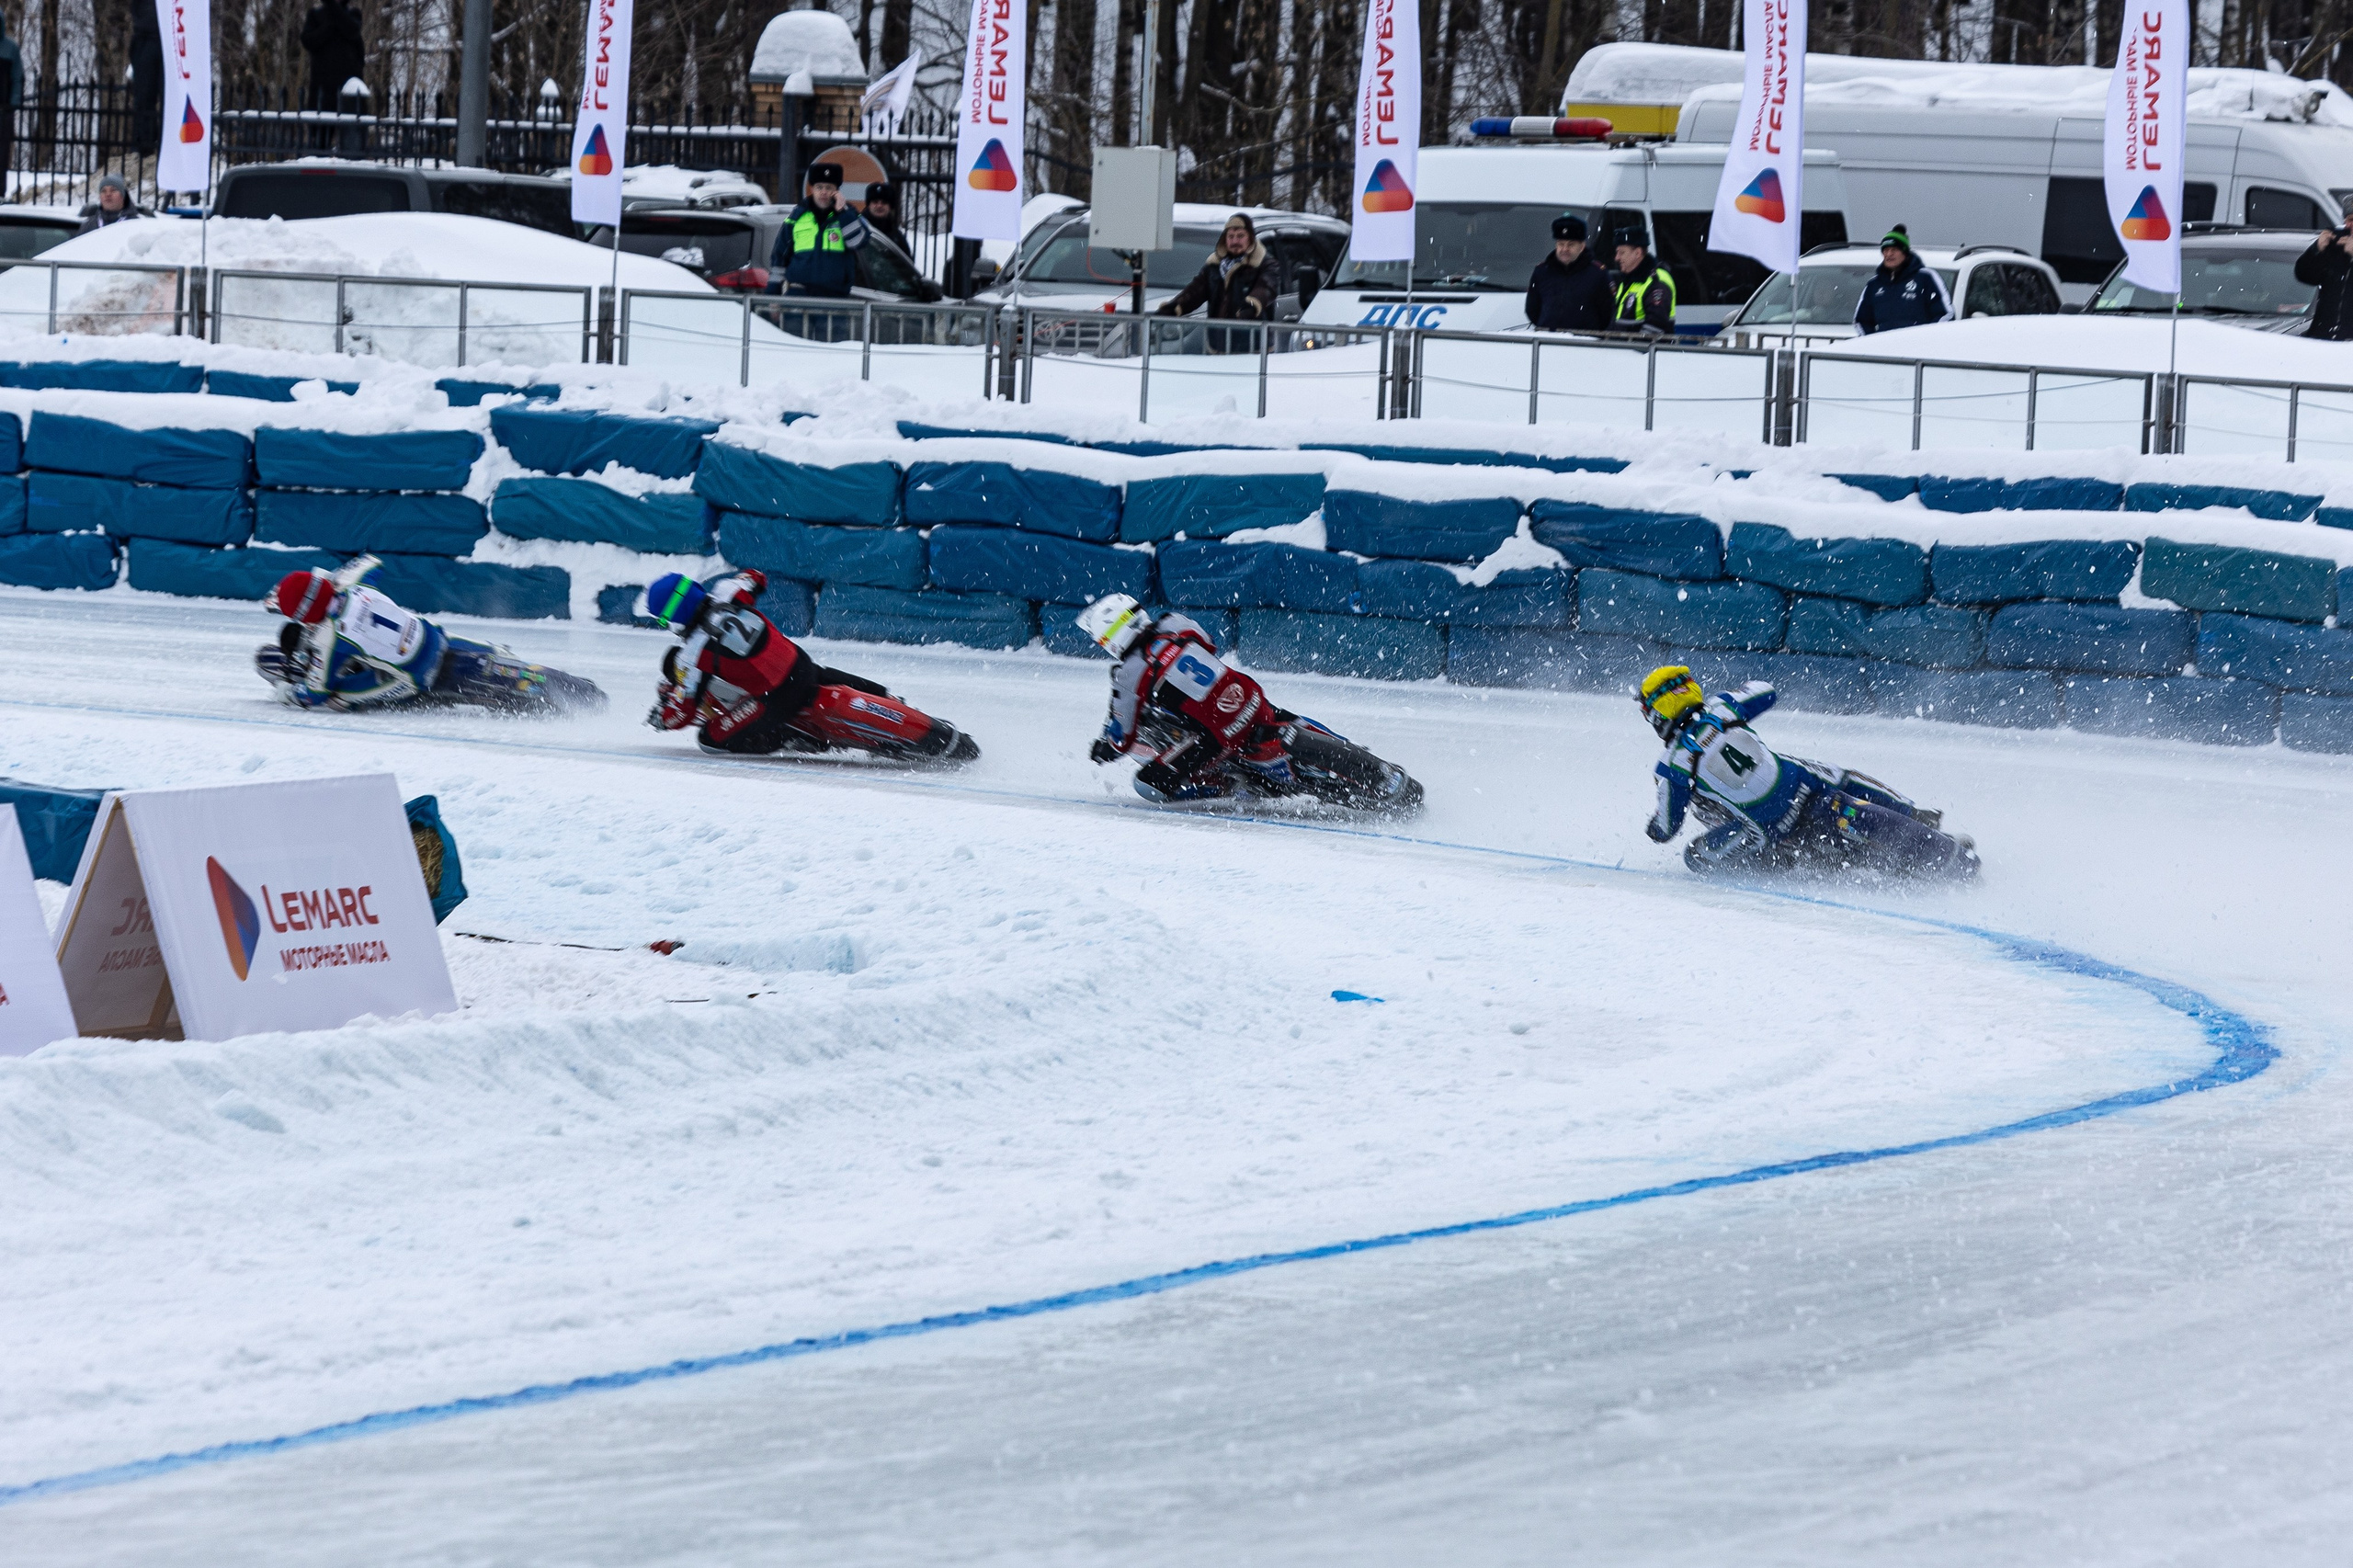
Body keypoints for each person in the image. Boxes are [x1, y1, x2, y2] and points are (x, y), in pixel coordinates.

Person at [1636, 665, 1971, 876]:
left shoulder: (1671, 765)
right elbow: (1766, 690)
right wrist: (1727, 698)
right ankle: (1913, 814)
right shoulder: (1723, 709)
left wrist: (1653, 829)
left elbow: (1666, 828)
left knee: (1695, 857)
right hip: (1804, 785)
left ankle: (1777, 864)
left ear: (1658, 713)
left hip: (1767, 825)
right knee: (1840, 775)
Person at [642, 569, 967, 759]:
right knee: (818, 674)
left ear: (673, 617)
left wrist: (664, 719)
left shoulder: (691, 655)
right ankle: (887, 697)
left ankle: (783, 737)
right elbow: (756, 577)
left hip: (775, 699)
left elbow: (683, 711)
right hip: (800, 664)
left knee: (710, 741)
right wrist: (741, 582)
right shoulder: (729, 591)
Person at [261, 562, 584, 711]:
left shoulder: (329, 639)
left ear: (306, 615)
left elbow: (317, 692)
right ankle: (501, 655)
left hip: (415, 675)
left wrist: (293, 694)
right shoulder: (356, 584)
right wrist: (336, 580)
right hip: (435, 637)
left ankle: (393, 699)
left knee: (338, 697)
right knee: (490, 651)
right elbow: (373, 563)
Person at [1076, 594, 1302, 801]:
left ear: (1112, 639)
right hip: (1251, 695)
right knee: (1270, 711)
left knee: (1147, 784)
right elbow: (1209, 644)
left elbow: (1122, 740)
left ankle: (1230, 785)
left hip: (1221, 736)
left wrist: (1104, 751)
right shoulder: (1174, 622)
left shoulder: (1128, 673)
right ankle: (1308, 730)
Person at [771, 162, 870, 298]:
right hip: (798, 295)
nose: (824, 192)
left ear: (837, 191)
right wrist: (772, 294)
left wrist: (842, 212)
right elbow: (779, 256)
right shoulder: (797, 217)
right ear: (812, 189)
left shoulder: (848, 214)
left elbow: (859, 242)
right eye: (819, 187)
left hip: (835, 298)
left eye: (829, 188)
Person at [1157, 212, 1277, 324]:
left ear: (1250, 238)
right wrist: (1175, 307)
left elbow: (1266, 287)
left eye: (1240, 236)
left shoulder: (1265, 264)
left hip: (1252, 336)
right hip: (1217, 336)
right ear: (1225, 239)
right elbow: (1195, 291)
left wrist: (1252, 304)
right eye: (1231, 236)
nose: (1235, 241)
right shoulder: (1214, 266)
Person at [1853, 226, 1951, 335]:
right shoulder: (1874, 284)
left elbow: (1945, 314)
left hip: (1919, 344)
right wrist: (1871, 341)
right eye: (1885, 250)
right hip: (1884, 345)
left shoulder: (1926, 277)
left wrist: (1927, 338)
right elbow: (1861, 320)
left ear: (1905, 252)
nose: (1889, 254)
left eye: (1894, 250)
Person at [1525, 213, 1610, 333]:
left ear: (1582, 246)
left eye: (1571, 245)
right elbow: (1532, 310)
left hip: (1584, 341)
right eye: (1561, 244)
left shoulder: (1598, 274)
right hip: (1548, 339)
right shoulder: (1542, 271)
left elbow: (1607, 314)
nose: (1565, 249)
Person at [1608, 224, 1677, 336]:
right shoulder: (1628, 280)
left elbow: (1654, 329)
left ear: (1638, 253)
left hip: (1641, 348)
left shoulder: (1656, 281)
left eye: (1622, 252)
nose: (1617, 258)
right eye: (1617, 253)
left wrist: (1628, 347)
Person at [2294, 210, 2353, 342]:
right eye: (2348, 220)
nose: (2350, 225)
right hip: (2323, 337)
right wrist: (2316, 249)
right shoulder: (2337, 245)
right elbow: (2304, 275)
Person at [301, 0, 367, 114]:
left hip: (348, 84)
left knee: (350, 121)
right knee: (321, 121)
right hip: (322, 83)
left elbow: (353, 31)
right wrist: (331, 25)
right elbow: (308, 41)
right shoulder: (315, 15)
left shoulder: (353, 14)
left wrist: (334, 9)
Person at [77, 174, 144, 234]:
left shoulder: (136, 224)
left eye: (113, 190)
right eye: (103, 191)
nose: (108, 194)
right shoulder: (88, 226)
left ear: (123, 196)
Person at [861, 182, 910, 254]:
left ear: (890, 207)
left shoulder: (897, 238)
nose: (879, 206)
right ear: (869, 205)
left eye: (884, 202)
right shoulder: (858, 229)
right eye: (875, 202)